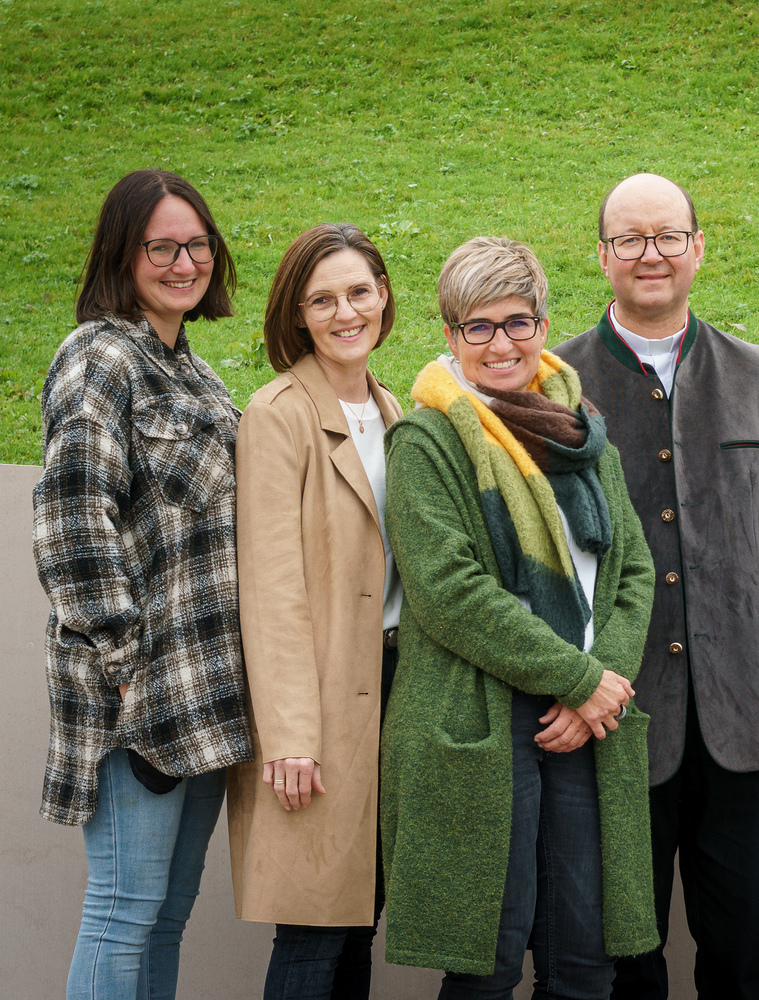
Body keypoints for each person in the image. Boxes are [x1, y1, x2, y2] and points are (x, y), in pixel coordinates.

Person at [553, 172, 759, 1000]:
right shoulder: (556, 382)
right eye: (630, 239)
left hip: (751, 718)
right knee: (624, 966)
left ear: (698, 248)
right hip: (615, 720)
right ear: (602, 255)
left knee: (744, 961)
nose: (651, 254)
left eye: (668, 236)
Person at [379, 237, 658, 998]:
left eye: (517, 322)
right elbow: (450, 592)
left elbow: (633, 571)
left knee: (586, 960)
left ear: (543, 326)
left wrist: (602, 682)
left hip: (586, 719)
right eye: (479, 326)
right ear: (451, 335)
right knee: (489, 962)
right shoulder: (427, 441)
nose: (501, 343)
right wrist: (578, 678)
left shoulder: (583, 432)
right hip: (486, 713)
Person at [33, 169, 251, 999]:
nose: (184, 263)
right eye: (161, 247)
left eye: (197, 245)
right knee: (124, 911)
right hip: (138, 691)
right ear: (122, 254)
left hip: (204, 689)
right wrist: (124, 663)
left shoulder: (196, 374)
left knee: (166, 914)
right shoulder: (98, 358)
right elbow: (71, 518)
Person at [226, 223, 403, 999]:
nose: (345, 313)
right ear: (297, 315)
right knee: (312, 930)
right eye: (322, 300)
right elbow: (271, 590)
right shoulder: (277, 413)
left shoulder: (392, 409)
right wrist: (292, 735)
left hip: (390, 691)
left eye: (358, 292)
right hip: (319, 707)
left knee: (359, 918)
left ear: (384, 296)